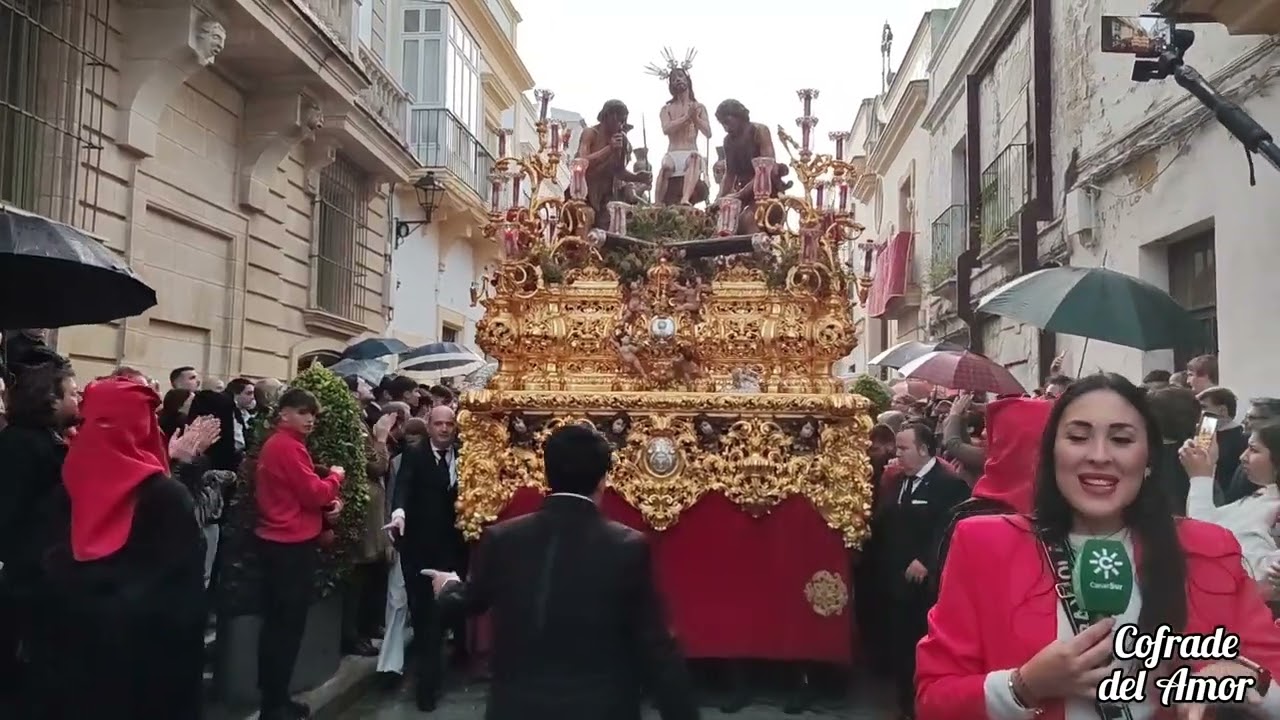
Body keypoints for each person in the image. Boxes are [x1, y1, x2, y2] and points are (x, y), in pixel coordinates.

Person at [916, 373, 1280, 720]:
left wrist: (1241, 677)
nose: (1100, 455)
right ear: (1051, 453)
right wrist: (1023, 686)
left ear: (1149, 459)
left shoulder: (1207, 549)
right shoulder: (984, 545)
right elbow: (934, 701)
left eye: (1122, 439)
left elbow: (1270, 673)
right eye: (1078, 437)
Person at [420, 423, 699, 720]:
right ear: (603, 480)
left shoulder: (503, 537)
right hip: (601, 706)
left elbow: (473, 598)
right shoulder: (627, 546)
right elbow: (656, 645)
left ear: (547, 473)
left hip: (518, 706)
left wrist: (447, 586)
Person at [52, 377, 207, 719]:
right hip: (118, 669)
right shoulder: (163, 495)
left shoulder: (160, 495)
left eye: (98, 422)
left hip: (116, 667)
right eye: (86, 422)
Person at [253, 387, 344, 720]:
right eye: (303, 412)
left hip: (283, 543)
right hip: (287, 546)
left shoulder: (284, 445)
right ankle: (274, 704)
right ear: (284, 413)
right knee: (284, 629)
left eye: (313, 415)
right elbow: (313, 493)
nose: (309, 420)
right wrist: (336, 476)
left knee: (283, 628)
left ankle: (277, 699)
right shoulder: (286, 446)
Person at [879, 422, 970, 719]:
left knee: (923, 650)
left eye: (904, 448)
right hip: (896, 583)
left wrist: (927, 561)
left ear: (923, 449)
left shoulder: (948, 483)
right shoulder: (897, 481)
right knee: (900, 649)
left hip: (926, 588)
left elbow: (950, 529)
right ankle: (904, 706)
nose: (898, 454)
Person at [385, 404, 463, 710]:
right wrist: (399, 513)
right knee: (424, 617)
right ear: (429, 425)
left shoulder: (467, 454)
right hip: (418, 549)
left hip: (453, 550)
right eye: (439, 424)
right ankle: (426, 688)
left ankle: (438, 668)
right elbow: (402, 487)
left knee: (444, 614)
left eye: (449, 424)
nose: (444, 429)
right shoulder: (415, 454)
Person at [577, 99, 652, 229]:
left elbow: (618, 170)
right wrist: (609, 149)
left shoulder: (621, 139)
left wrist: (638, 177)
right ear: (607, 116)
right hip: (585, 192)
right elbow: (582, 162)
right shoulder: (590, 134)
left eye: (623, 121)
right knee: (585, 220)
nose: (620, 125)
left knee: (614, 225)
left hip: (607, 195)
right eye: (618, 120)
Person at [652, 63, 711, 206]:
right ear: (671, 85)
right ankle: (657, 202)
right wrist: (686, 118)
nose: (678, 80)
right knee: (665, 167)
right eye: (673, 78)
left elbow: (708, 132)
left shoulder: (699, 107)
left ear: (687, 79)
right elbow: (666, 129)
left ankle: (685, 199)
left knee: (695, 159)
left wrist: (695, 119)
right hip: (673, 152)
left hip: (690, 151)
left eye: (680, 76)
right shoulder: (667, 109)